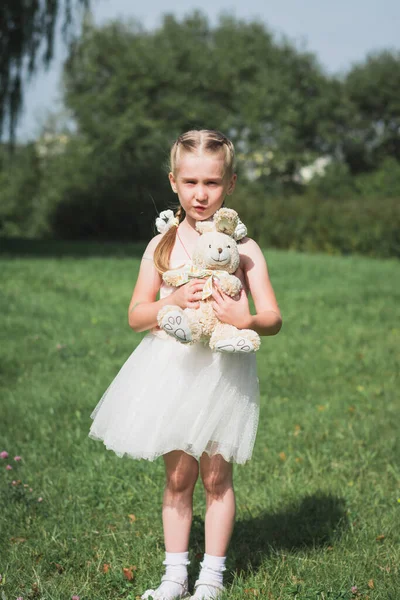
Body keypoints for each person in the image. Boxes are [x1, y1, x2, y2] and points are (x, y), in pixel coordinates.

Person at [89, 129, 282, 600]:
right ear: (173, 181)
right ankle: (175, 575)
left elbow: (273, 318)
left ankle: (211, 577)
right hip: (172, 369)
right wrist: (169, 300)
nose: (201, 194)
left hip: (222, 372)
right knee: (179, 476)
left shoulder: (244, 249)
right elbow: (136, 315)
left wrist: (247, 318)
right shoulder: (162, 245)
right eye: (191, 181)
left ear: (230, 184)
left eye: (212, 183)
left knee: (217, 475)